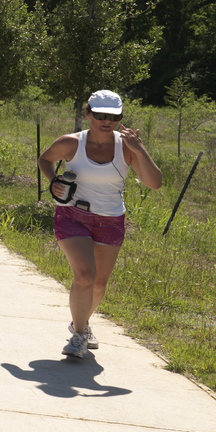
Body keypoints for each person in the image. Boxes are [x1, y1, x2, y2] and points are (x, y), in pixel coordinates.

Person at [37, 89, 163, 361]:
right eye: (100, 115)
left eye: (114, 116)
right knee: (84, 275)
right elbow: (45, 159)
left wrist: (140, 150)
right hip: (72, 216)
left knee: (98, 285)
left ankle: (81, 322)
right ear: (88, 113)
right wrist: (54, 181)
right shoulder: (71, 143)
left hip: (110, 220)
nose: (107, 121)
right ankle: (79, 336)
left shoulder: (126, 147)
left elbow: (155, 183)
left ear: (120, 117)